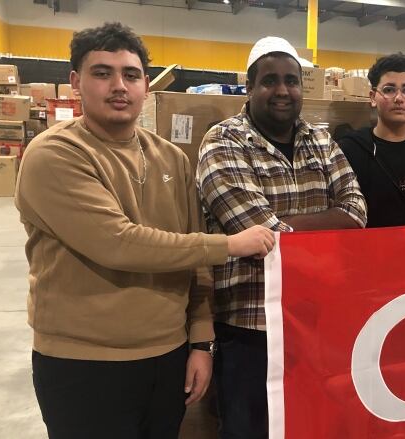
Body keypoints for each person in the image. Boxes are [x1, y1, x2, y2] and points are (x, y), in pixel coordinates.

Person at [15, 22, 274, 439]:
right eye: (103, 73)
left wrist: (200, 342)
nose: (119, 86)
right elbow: (118, 243)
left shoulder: (171, 158)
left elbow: (196, 269)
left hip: (166, 359)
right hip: (85, 365)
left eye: (131, 75)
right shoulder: (54, 155)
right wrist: (229, 244)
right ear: (76, 82)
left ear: (145, 88)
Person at [196, 36, 367, 438]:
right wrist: (319, 224)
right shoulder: (223, 142)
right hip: (250, 327)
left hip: (316, 323)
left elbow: (357, 213)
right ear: (250, 86)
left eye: (291, 81)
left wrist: (283, 226)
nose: (282, 90)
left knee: (313, 427)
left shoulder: (321, 140)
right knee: (248, 430)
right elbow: (259, 234)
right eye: (270, 80)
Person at [336, 53, 405, 227]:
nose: (399, 98)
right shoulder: (350, 150)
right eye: (389, 90)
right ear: (373, 97)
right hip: (368, 252)